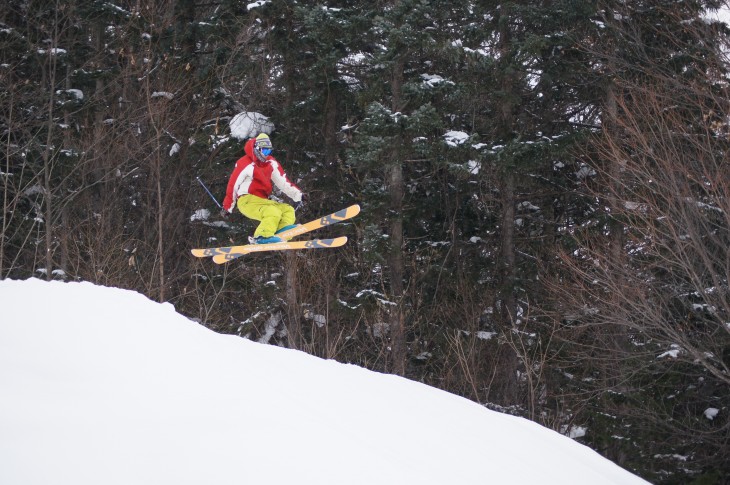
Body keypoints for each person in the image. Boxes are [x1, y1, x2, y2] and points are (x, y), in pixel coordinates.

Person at [221, 133, 304, 244]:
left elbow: (283, 182)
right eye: (264, 151)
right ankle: (261, 236)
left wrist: (298, 195)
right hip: (247, 200)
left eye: (269, 152)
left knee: (287, 210)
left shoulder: (271, 163)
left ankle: (280, 231)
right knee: (272, 211)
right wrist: (228, 207)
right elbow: (233, 184)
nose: (266, 155)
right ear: (257, 148)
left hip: (262, 201)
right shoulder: (245, 163)